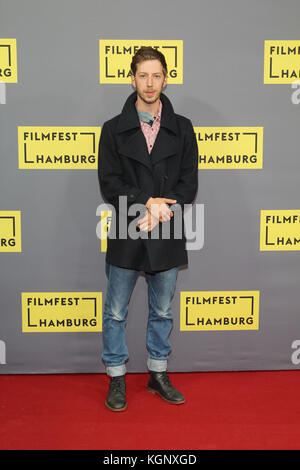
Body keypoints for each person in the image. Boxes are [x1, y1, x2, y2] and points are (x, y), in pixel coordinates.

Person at [98, 46, 198, 411]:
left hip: (166, 230)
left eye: (157, 75)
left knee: (163, 312)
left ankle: (158, 373)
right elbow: (109, 183)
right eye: (143, 75)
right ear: (132, 79)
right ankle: (116, 376)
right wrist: (148, 202)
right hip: (129, 226)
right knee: (115, 312)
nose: (150, 83)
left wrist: (159, 210)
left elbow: (188, 184)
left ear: (166, 79)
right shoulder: (112, 129)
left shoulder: (183, 128)